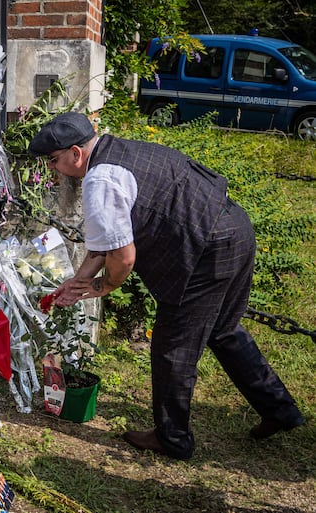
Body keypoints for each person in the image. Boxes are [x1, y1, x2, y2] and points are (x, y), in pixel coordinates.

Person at [28, 112, 304, 460]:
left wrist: (103, 287)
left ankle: (173, 438)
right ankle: (279, 409)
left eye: (54, 161)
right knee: (224, 330)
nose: (53, 169)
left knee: (173, 345)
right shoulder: (120, 151)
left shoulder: (99, 180)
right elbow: (105, 240)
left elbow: (123, 258)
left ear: (75, 153)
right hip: (234, 228)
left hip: (206, 249)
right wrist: (80, 281)